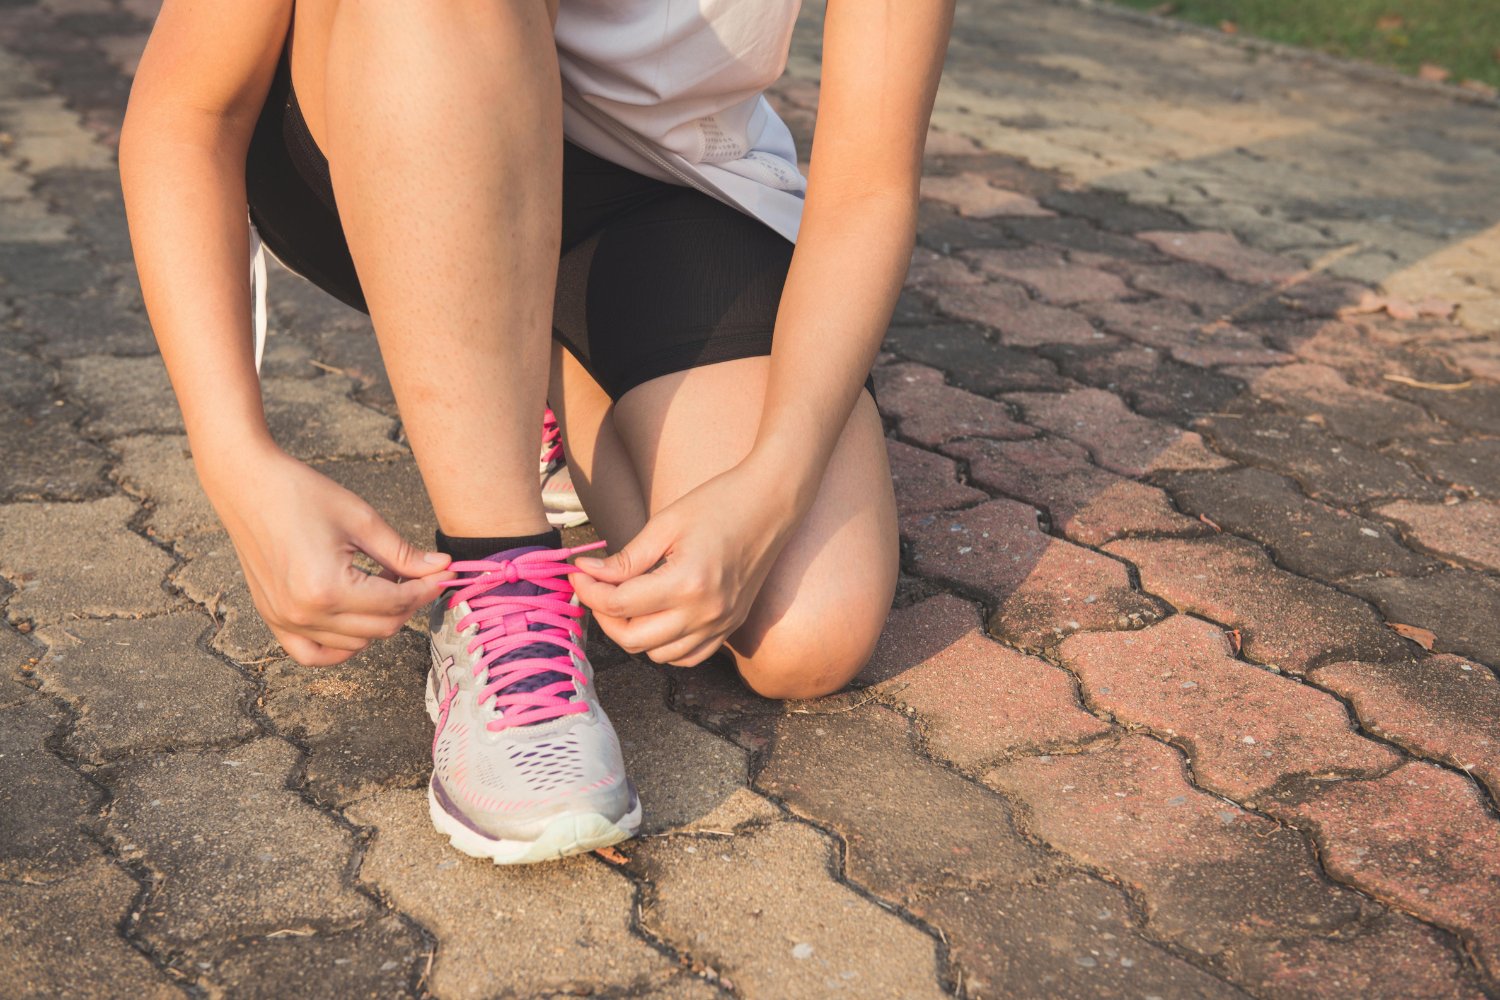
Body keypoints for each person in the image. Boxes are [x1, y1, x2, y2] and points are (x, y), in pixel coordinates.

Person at [119, 0, 955, 863]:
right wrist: (235, 456)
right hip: (388, 101)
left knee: (804, 633)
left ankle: (524, 375)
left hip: (663, 180)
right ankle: (500, 581)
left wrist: (773, 482)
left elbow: (870, 185)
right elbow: (188, 112)